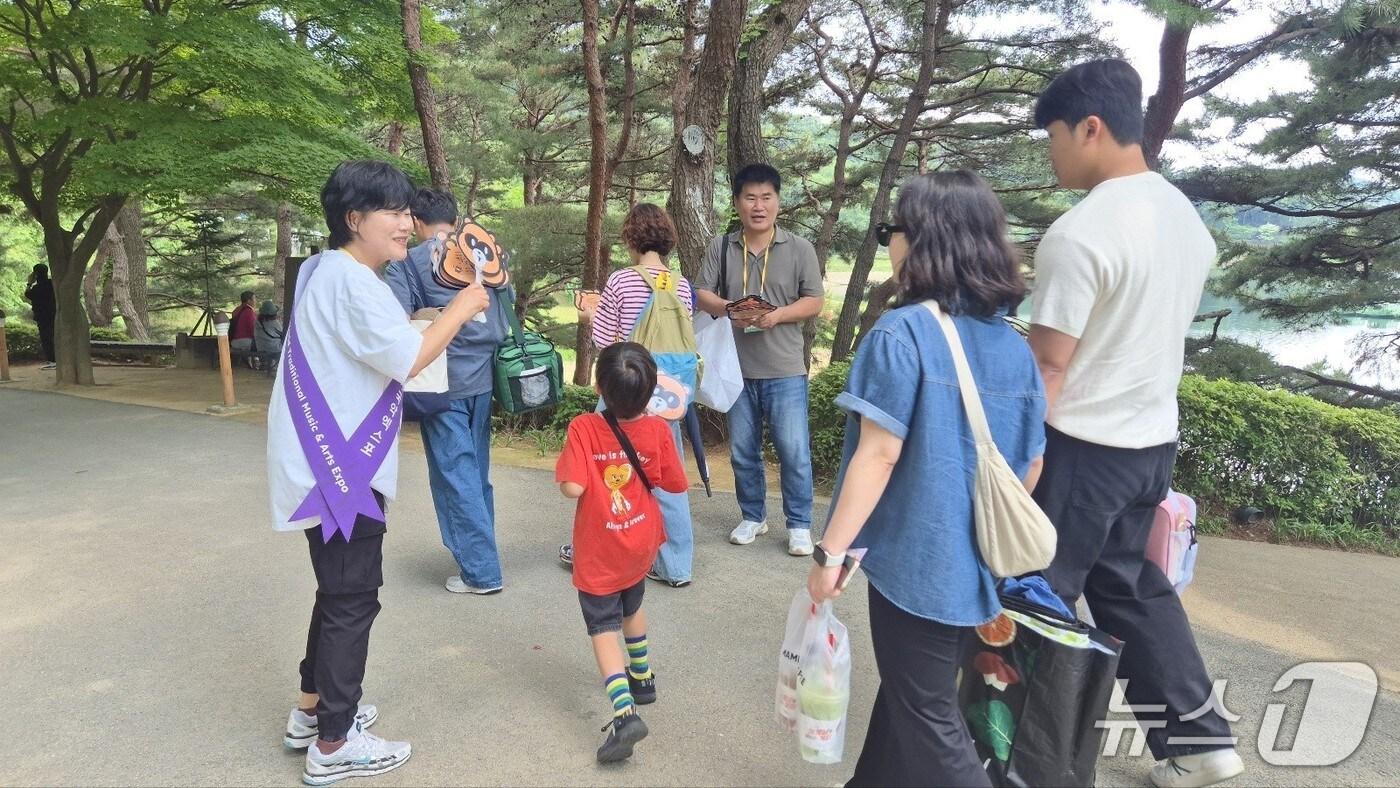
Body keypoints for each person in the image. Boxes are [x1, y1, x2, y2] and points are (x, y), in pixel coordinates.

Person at [1027, 59, 1242, 788]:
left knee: (1037, 596)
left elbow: (1048, 365)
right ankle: (1201, 743)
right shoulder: (1184, 218)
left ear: (1090, 128)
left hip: (1081, 445)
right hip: (1150, 443)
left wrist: (1016, 458)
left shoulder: (1080, 233)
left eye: (1053, 136)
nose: (1050, 152)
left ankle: (1026, 762)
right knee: (1128, 587)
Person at [806, 171, 1045, 787]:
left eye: (893, 228)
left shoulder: (902, 332)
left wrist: (830, 552)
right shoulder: (1013, 346)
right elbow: (1032, 464)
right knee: (912, 689)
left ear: (922, 239)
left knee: (929, 712)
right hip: (982, 566)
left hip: (918, 565)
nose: (890, 241)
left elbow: (878, 455)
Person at [266, 160, 490, 785]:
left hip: (326, 459)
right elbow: (408, 358)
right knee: (352, 597)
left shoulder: (326, 271)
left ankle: (312, 711)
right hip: (341, 468)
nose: (405, 223)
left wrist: (433, 318)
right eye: (391, 212)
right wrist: (462, 305)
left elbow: (381, 344)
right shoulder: (354, 282)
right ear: (354, 218)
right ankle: (335, 742)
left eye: (406, 211)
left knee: (336, 590)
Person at [555, 342, 689, 763]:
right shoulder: (658, 429)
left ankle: (624, 712)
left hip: (601, 548)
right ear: (651, 393)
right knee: (632, 604)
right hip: (641, 541)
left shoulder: (584, 427)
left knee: (602, 626)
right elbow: (675, 484)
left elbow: (572, 487)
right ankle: (643, 677)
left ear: (599, 387)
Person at [694, 163, 824, 556]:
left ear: (778, 202)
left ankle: (799, 524)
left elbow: (814, 301)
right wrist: (731, 309)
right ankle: (753, 516)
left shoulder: (799, 248)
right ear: (737, 203)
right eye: (750, 197)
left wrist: (778, 315)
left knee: (793, 451)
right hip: (735, 369)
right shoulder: (722, 246)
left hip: (785, 369)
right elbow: (702, 293)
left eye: (766, 197)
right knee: (742, 451)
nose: (758, 205)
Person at [384, 188, 510, 595]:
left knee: (455, 475)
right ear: (454, 220)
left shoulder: (409, 261)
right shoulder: (485, 251)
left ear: (417, 222)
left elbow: (397, 320)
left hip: (441, 382)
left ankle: (481, 572)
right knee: (475, 473)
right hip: (484, 378)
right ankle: (481, 553)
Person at [563, 203, 696, 587]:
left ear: (631, 238)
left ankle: (603, 552)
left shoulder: (622, 281)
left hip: (622, 392)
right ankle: (676, 566)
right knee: (667, 476)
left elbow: (606, 341)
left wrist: (589, 316)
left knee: (606, 475)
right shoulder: (681, 285)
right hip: (666, 394)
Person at [23, 264, 56, 369]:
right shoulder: (53, 284)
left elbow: (27, 294)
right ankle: (56, 359)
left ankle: (52, 360)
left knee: (46, 338)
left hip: (43, 318)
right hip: (55, 315)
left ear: (36, 274)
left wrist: (29, 283)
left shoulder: (36, 288)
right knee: (54, 337)